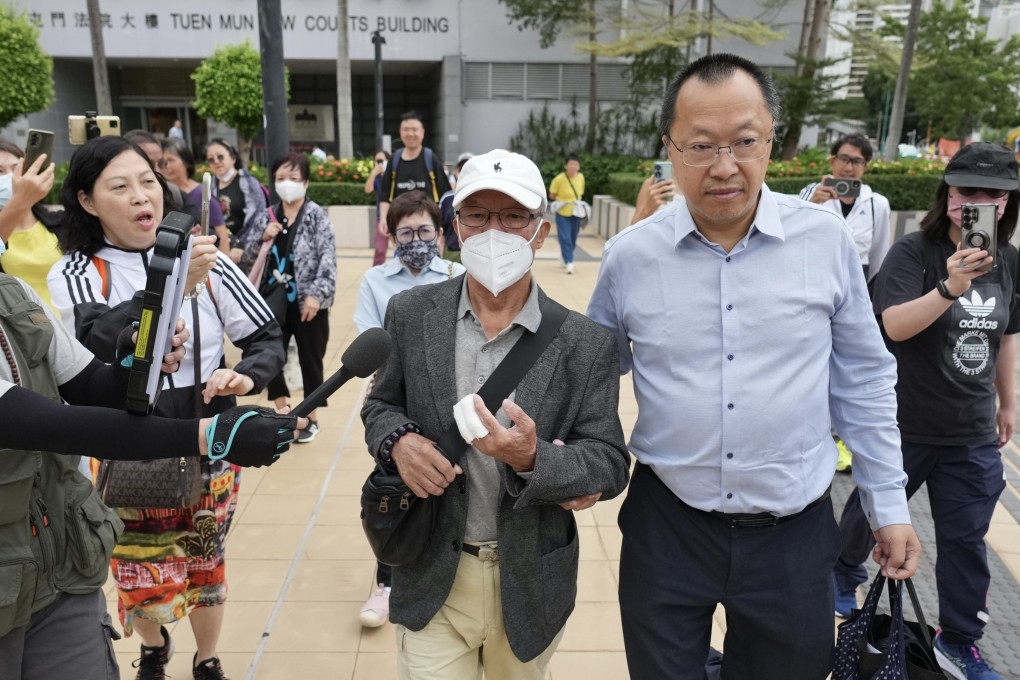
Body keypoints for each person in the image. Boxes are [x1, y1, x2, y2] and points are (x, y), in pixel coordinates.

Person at [586, 53, 920, 680]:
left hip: (793, 533)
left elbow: (865, 379)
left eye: (744, 142)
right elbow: (593, 376)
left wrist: (889, 506)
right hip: (668, 525)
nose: (723, 167)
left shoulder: (823, 242)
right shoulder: (631, 257)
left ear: (771, 140)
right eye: (700, 146)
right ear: (671, 149)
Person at [362, 149, 630, 679]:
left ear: (541, 231)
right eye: (478, 215)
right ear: (456, 227)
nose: (494, 231)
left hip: (530, 577)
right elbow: (380, 403)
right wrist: (400, 442)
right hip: (432, 569)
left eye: (513, 217)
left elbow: (608, 461)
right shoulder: (412, 315)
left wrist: (534, 459)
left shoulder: (585, 343)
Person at [48, 136, 288, 680]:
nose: (141, 196)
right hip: (129, 441)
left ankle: (208, 658)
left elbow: (266, 336)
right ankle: (155, 643)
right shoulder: (81, 272)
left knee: (206, 561)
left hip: (209, 435)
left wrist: (245, 374)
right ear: (87, 201)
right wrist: (173, 283)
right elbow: (95, 341)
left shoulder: (207, 260)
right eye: (120, 186)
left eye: (148, 181)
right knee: (136, 568)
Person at [833, 142, 1019, 680]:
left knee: (966, 541)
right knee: (869, 513)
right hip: (904, 421)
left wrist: (1008, 403)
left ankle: (959, 641)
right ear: (948, 192)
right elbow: (891, 325)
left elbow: (1007, 335)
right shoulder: (915, 252)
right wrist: (950, 286)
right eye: (964, 191)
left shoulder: (1008, 261)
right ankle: (843, 577)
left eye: (990, 194)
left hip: (972, 432)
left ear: (1007, 202)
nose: (974, 203)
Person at [353, 191, 465, 628]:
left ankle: (445, 573)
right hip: (396, 401)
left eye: (424, 231)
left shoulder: (458, 272)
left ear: (440, 234)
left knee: (448, 486)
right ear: (391, 235)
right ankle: (387, 581)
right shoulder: (376, 282)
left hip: (453, 402)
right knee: (394, 493)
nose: (415, 239)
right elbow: (373, 341)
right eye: (405, 232)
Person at [799, 133, 893, 474]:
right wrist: (815, 203)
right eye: (844, 158)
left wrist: (874, 301)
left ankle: (845, 439)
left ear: (866, 167)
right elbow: (794, 239)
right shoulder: (811, 194)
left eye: (857, 161)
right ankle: (815, 431)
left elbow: (881, 254)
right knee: (815, 361)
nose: (849, 167)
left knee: (851, 365)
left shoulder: (876, 203)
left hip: (859, 289)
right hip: (814, 287)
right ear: (832, 160)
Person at [245, 152, 337, 444]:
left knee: (312, 360)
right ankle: (283, 410)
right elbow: (246, 257)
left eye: (294, 179)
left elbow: (328, 260)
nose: (287, 184)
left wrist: (318, 295)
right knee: (271, 356)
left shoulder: (317, 216)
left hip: (308, 302)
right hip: (272, 301)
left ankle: (311, 418)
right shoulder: (266, 216)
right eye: (281, 178)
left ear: (306, 182)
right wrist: (263, 237)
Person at [0, 140, 61, 308]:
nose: (12, 178)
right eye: (0, 171)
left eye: (17, 168)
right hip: (24, 331)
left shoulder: (59, 222)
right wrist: (21, 201)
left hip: (71, 330)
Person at [378, 111, 452, 228]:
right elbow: (385, 195)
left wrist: (442, 227)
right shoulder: (394, 160)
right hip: (400, 226)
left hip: (428, 227)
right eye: (406, 129)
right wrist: (383, 219)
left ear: (422, 132)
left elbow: (445, 195)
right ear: (400, 132)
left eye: (414, 129)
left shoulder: (430, 158)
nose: (410, 133)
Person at [160, 137, 231, 256]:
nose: (166, 166)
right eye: (163, 162)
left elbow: (223, 238)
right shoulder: (163, 193)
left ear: (186, 162)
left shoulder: (202, 194)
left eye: (171, 160)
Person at [205, 139, 269, 268]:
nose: (216, 161)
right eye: (211, 159)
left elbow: (259, 217)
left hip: (245, 254)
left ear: (233, 158)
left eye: (220, 157)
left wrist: (241, 245)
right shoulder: (209, 186)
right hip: (220, 251)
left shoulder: (249, 184)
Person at [547, 154, 586, 274]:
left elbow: (581, 192)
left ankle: (565, 255)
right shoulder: (559, 179)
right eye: (571, 164)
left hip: (576, 212)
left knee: (573, 237)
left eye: (576, 164)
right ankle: (569, 261)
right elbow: (552, 195)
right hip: (563, 212)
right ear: (566, 165)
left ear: (579, 167)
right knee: (565, 237)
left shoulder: (581, 177)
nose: (573, 166)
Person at [364, 149, 392, 266]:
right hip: (381, 218)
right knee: (380, 250)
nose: (379, 163)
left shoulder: (393, 175)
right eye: (377, 161)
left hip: (397, 216)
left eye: (381, 160)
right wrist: (373, 174)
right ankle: (377, 275)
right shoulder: (377, 177)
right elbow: (368, 189)